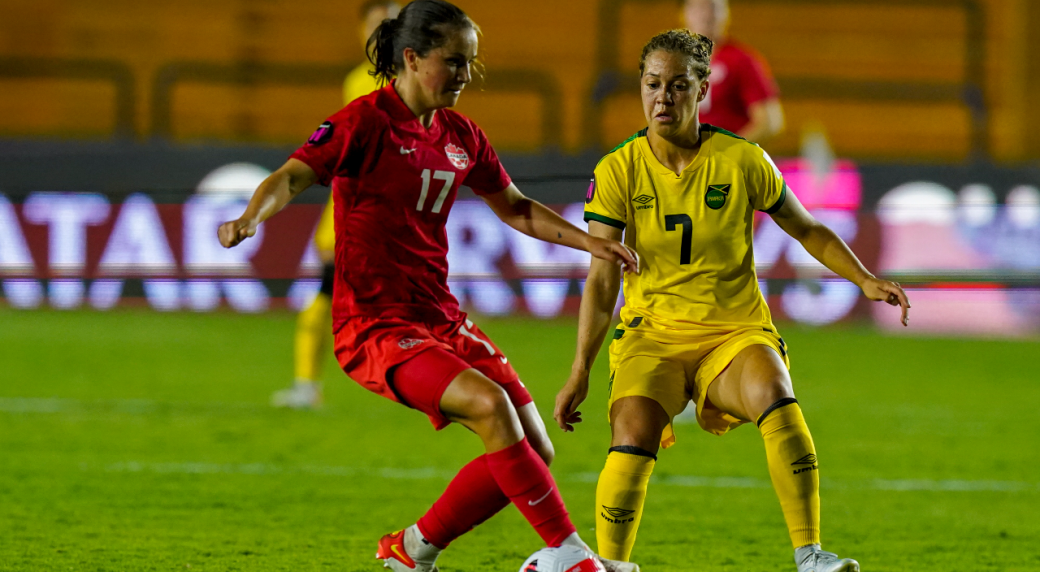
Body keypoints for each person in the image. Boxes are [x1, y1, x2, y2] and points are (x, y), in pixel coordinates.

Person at [219, 2, 641, 570]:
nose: (466, 75)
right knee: (491, 407)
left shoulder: (461, 134)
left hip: (439, 316)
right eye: (454, 62)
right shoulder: (363, 122)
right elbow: (294, 173)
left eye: (471, 63)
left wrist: (589, 241)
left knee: (536, 447)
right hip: (374, 323)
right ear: (412, 59)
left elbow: (515, 208)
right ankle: (569, 553)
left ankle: (412, 549)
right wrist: (251, 217)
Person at [554, 29, 910, 572]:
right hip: (652, 333)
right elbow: (602, 279)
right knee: (632, 431)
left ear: (701, 92)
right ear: (640, 88)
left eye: (678, 86)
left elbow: (807, 229)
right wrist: (579, 368)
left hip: (734, 330)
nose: (662, 98)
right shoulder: (618, 170)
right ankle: (609, 565)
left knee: (774, 390)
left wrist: (862, 279)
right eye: (652, 84)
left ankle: (810, 555)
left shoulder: (742, 159)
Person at [271, 0, 402, 409]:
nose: (381, 33)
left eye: (390, 25)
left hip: (394, 215)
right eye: (375, 25)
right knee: (329, 297)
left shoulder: (409, 82)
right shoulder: (360, 81)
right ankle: (308, 385)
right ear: (362, 32)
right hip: (359, 215)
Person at [683, 0, 784, 143]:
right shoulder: (676, 62)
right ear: (685, 13)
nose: (706, 15)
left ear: (726, 13)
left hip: (727, 161)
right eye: (699, 8)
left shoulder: (742, 60)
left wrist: (730, 150)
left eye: (713, 8)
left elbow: (770, 121)